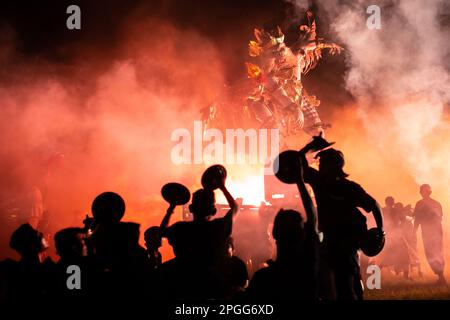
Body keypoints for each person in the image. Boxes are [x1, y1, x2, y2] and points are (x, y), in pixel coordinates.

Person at [299, 135, 384, 300]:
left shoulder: (347, 187)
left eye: (322, 163)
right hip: (331, 243)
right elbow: (297, 163)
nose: (319, 165)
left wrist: (381, 230)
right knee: (332, 285)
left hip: (346, 244)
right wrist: (310, 146)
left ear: (333, 166)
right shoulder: (323, 183)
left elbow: (374, 205)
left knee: (346, 283)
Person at [247, 156, 320, 299]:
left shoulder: (262, 279)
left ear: (274, 233)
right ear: (302, 233)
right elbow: (312, 217)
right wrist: (299, 180)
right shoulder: (307, 268)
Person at [162, 180, 238, 298]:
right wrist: (222, 187)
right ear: (213, 210)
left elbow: (162, 231)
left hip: (185, 287)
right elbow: (235, 208)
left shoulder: (180, 228)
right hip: (213, 287)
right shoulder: (218, 227)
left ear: (191, 208)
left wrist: (171, 207)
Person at [413, 184, 446, 285]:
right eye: (423, 191)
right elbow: (417, 219)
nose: (424, 193)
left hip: (434, 231)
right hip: (429, 232)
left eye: (425, 191)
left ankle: (441, 276)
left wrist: (414, 230)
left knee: (434, 252)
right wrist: (414, 231)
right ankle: (440, 276)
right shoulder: (421, 204)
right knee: (433, 252)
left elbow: (438, 217)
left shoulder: (432, 204)